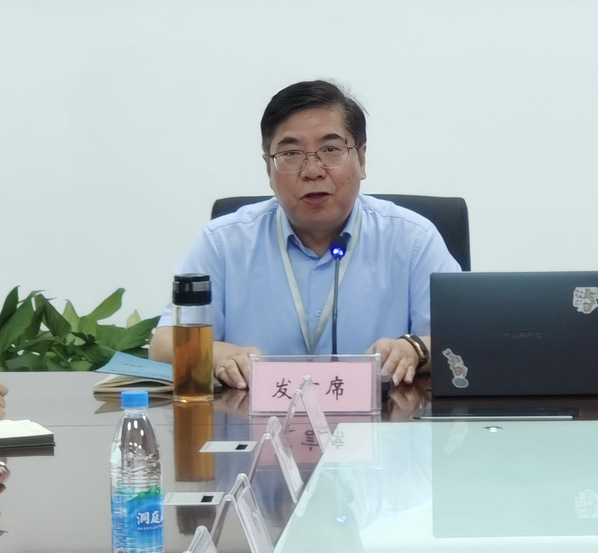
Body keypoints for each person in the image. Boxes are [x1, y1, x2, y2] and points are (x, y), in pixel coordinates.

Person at [150, 80, 461, 389]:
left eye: (331, 150)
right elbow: (162, 345)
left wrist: (415, 349)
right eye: (292, 153)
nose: (313, 170)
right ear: (269, 169)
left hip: (384, 419)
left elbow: (462, 340)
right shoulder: (223, 243)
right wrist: (221, 356)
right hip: (255, 418)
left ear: (362, 159)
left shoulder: (413, 241)